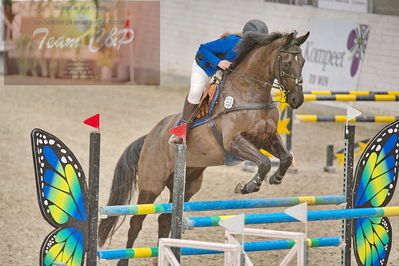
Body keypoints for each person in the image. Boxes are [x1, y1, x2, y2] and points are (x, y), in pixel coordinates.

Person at [169, 19, 269, 145]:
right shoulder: (232, 42)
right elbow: (203, 49)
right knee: (195, 92)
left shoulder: (253, 49)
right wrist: (218, 62)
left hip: (224, 71)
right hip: (206, 67)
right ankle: (181, 131)